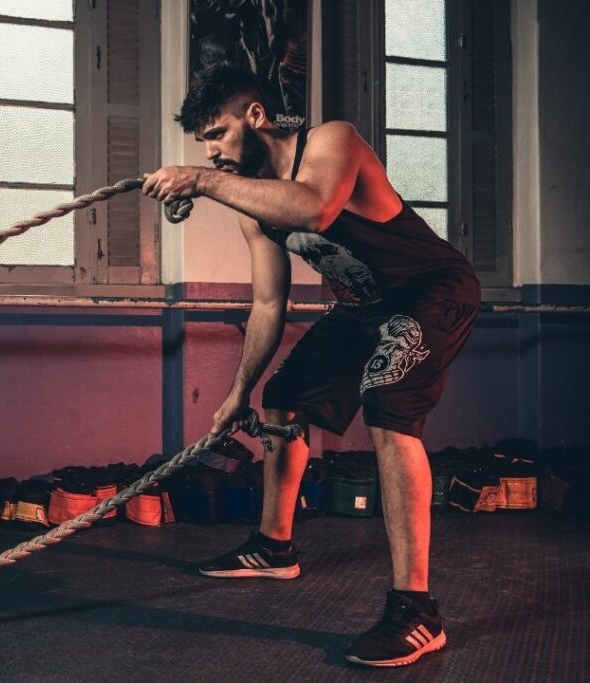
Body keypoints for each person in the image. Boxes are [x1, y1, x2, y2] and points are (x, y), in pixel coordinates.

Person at [141, 65, 480, 668]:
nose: (213, 154)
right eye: (203, 146)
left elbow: (316, 209)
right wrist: (235, 394)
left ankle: (416, 610)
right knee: (285, 397)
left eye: (217, 135)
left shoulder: (331, 141)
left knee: (387, 401)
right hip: (362, 306)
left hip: (431, 290)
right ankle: (274, 546)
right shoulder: (253, 205)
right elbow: (269, 305)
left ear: (255, 116)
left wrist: (199, 180)